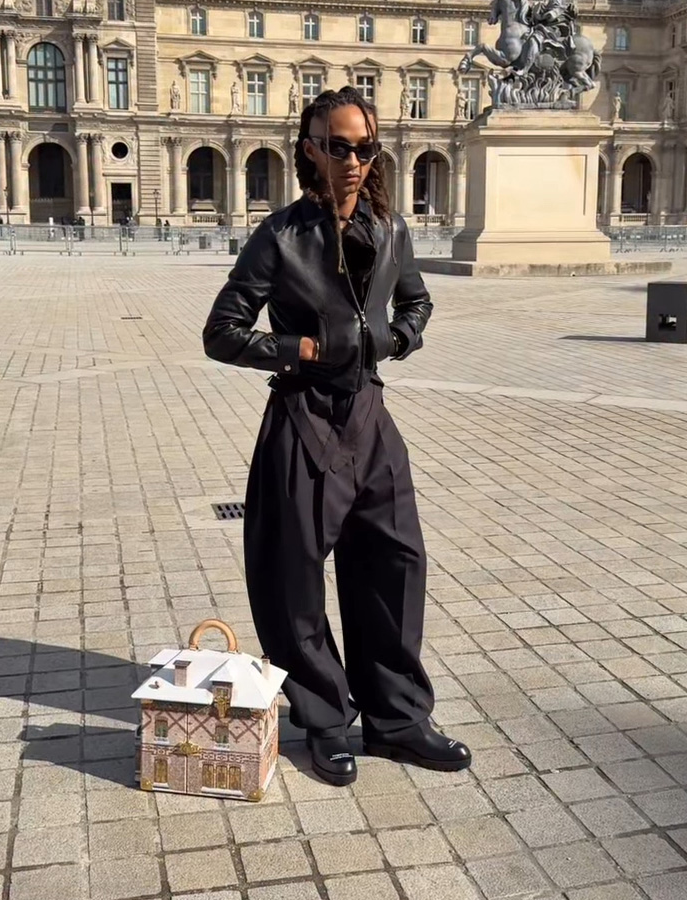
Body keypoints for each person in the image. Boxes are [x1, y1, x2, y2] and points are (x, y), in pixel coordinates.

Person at [203, 87, 471, 787]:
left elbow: (416, 299)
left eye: (365, 147)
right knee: (292, 576)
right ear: (310, 147)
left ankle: (398, 720)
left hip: (369, 417)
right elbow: (221, 334)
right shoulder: (280, 237)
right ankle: (324, 720)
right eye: (340, 145)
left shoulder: (389, 229)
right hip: (301, 416)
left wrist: (396, 338)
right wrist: (302, 351)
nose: (354, 160)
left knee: (395, 561)